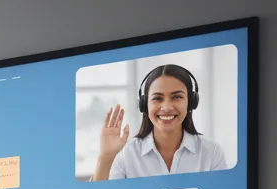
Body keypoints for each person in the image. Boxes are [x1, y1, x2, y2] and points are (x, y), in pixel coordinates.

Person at [91, 64, 228, 180]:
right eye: (157, 98)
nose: (167, 107)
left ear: (191, 102)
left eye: (177, 97)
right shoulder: (126, 154)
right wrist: (106, 157)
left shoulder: (212, 152)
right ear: (145, 105)